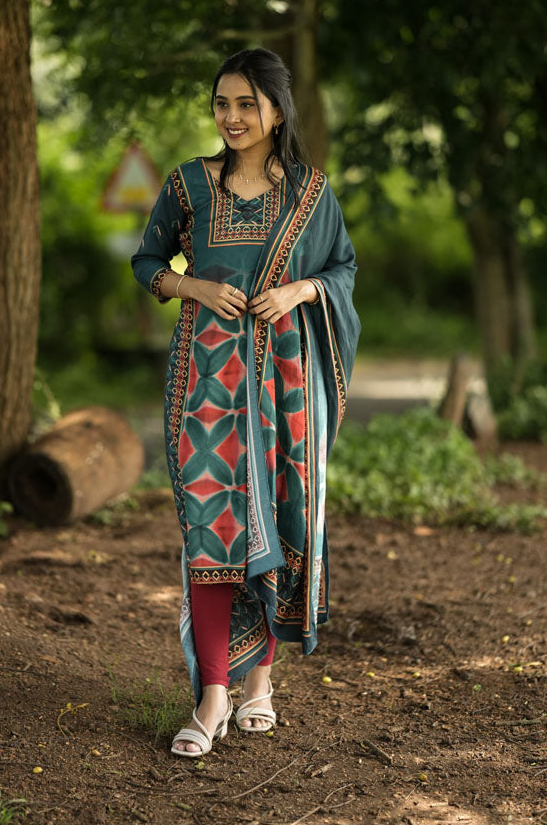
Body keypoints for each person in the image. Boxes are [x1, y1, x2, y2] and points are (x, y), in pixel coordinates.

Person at [131, 47, 360, 757]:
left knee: (277, 527)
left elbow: (341, 267)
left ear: (277, 110)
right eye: (221, 104)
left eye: (245, 104)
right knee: (210, 536)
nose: (231, 117)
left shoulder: (310, 195)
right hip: (201, 388)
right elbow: (146, 262)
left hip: (286, 389)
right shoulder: (186, 187)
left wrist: (298, 289)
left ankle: (258, 687)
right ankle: (210, 698)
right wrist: (190, 286)